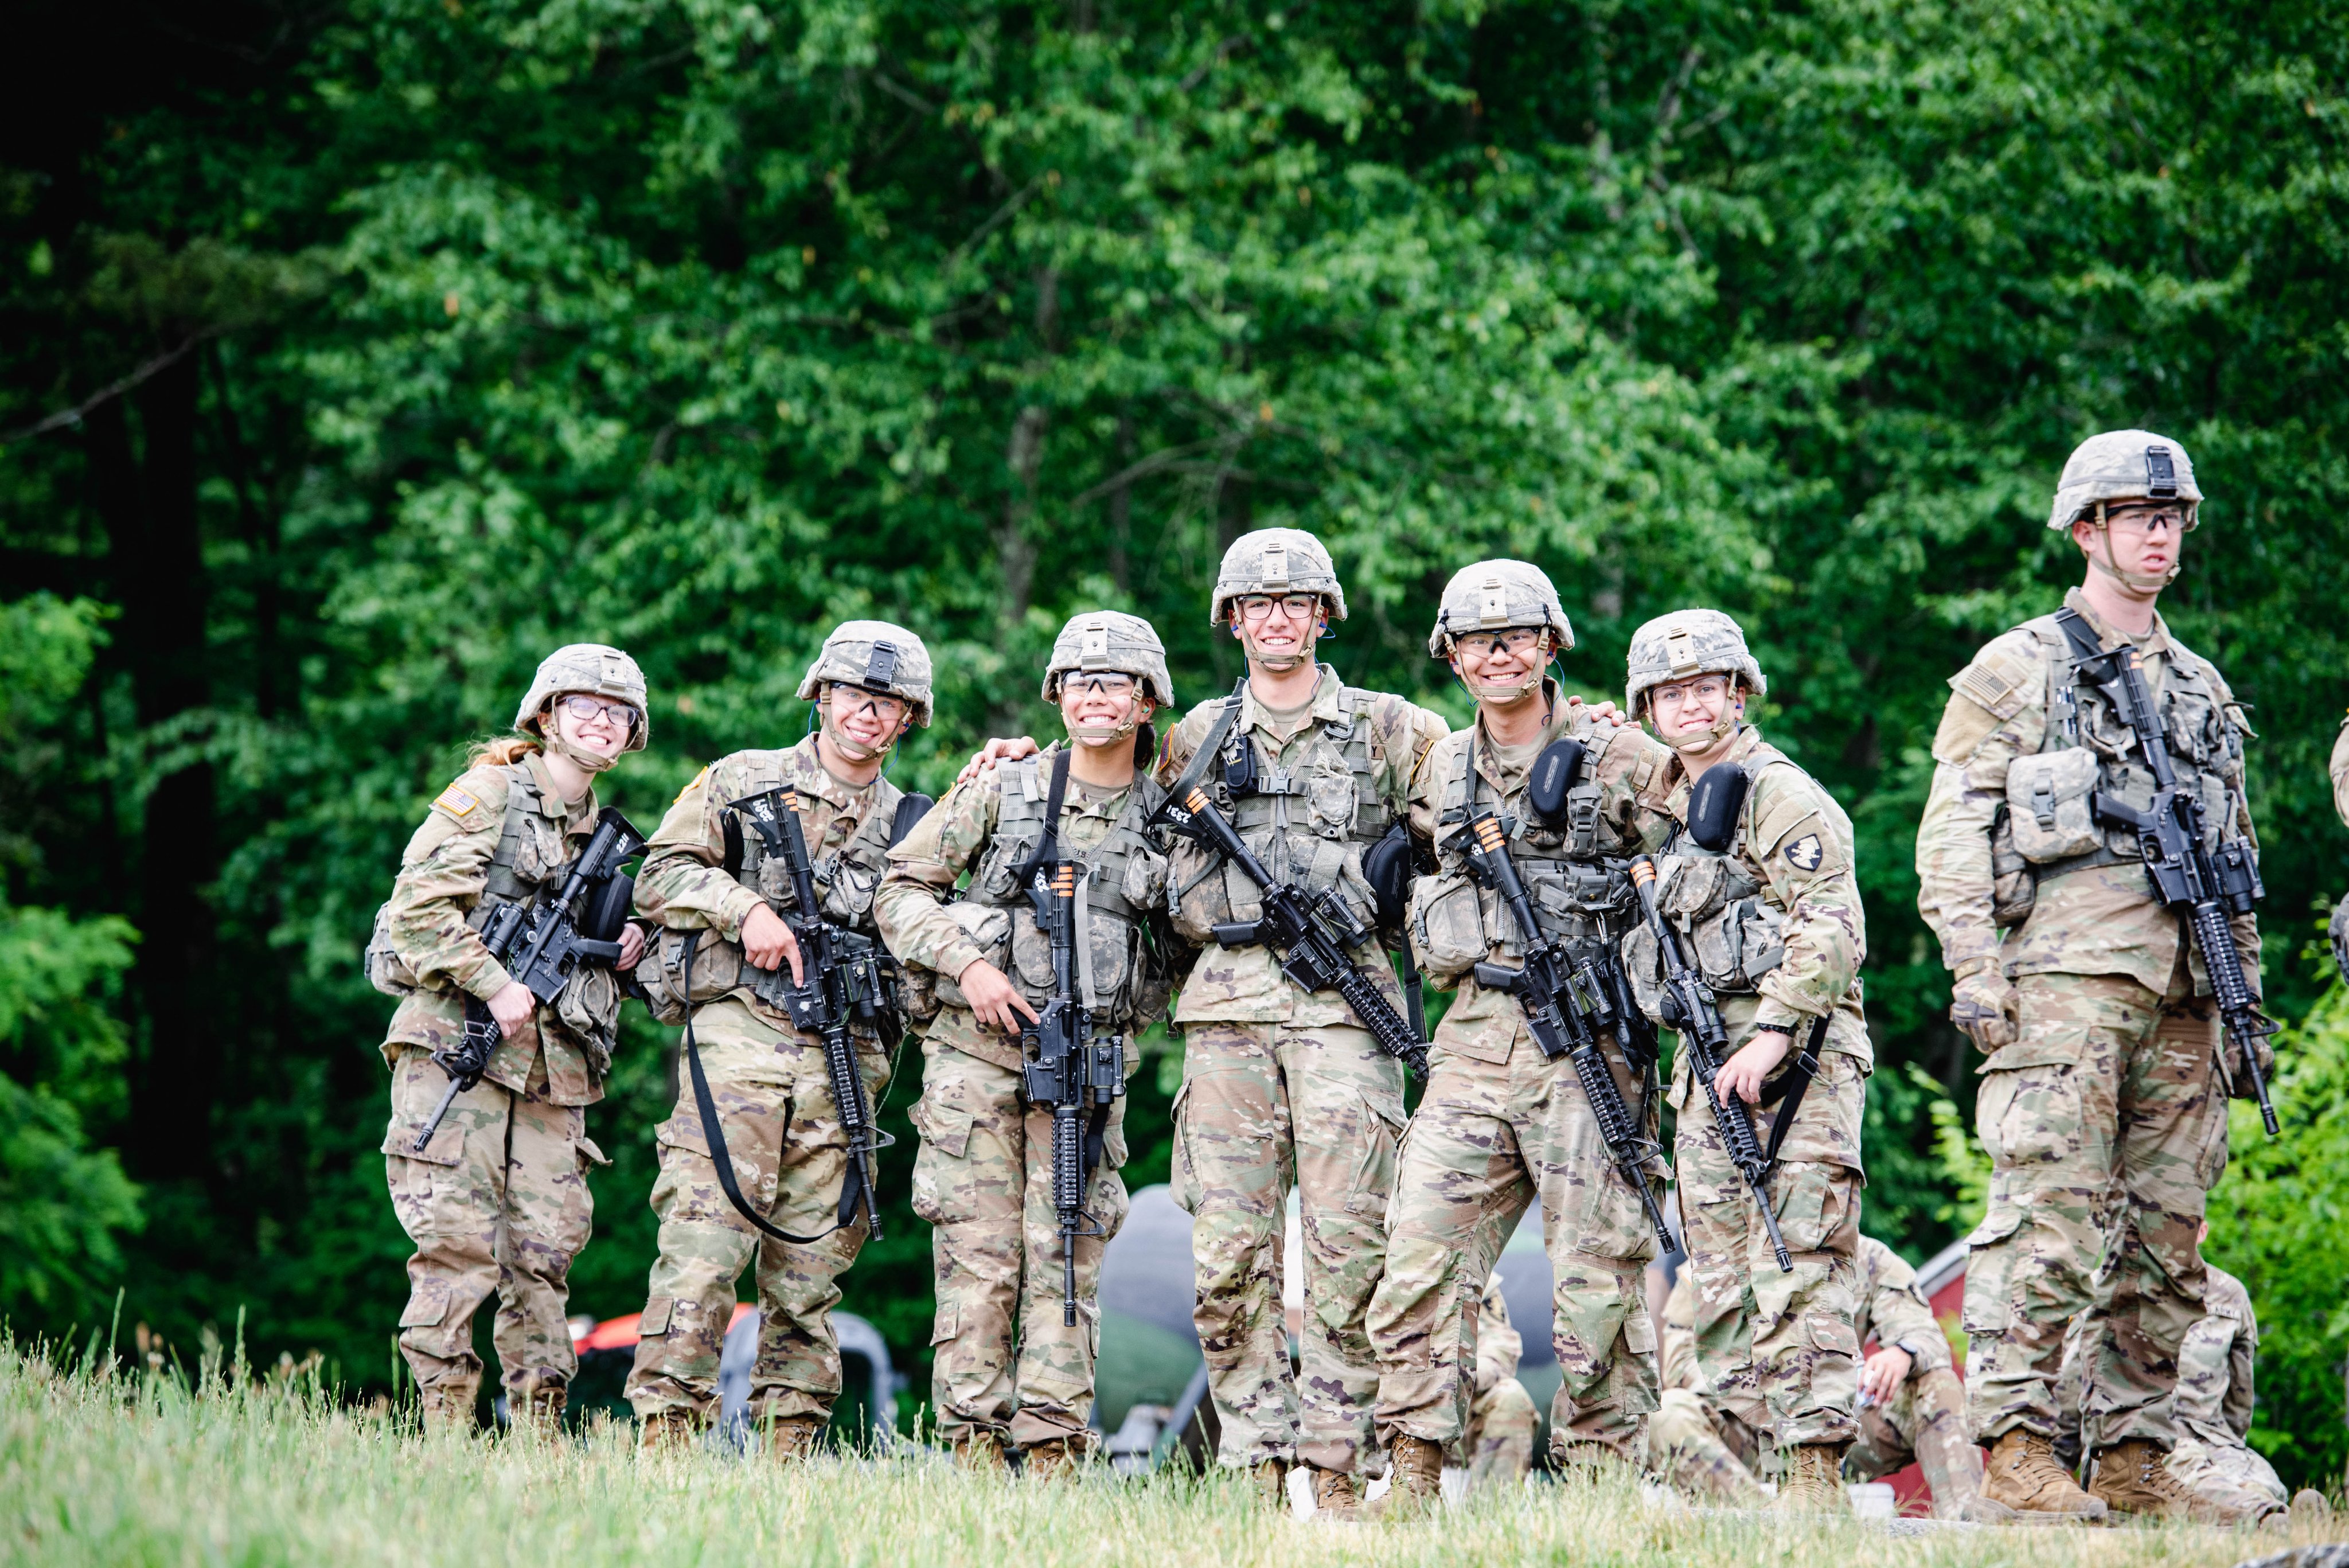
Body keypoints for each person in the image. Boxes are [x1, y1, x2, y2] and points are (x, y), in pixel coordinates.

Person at [1914, 430, 2268, 1523]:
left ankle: (2133, 1450)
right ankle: (2018, 1442)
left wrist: (2244, 1002)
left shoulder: (2201, 686)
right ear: (2086, 529)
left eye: (2170, 518)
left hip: (2184, 993)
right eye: (2135, 517)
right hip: (2064, 982)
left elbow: (2234, 854)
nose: (2159, 535)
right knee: (2048, 1216)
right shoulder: (2020, 665)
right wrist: (1974, 967)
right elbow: (1954, 829)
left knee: (2166, 1233)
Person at [1363, 561, 1672, 1515]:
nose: (1498, 651)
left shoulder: (1620, 753)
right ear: (1451, 656)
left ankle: (1608, 1485)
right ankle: (1411, 1469)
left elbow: (1690, 864)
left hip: (1584, 1046)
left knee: (1600, 1275)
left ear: (1550, 645)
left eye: (1516, 635)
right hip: (1470, 1039)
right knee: (1418, 1256)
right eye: (1476, 638)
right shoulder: (1437, 761)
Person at [872, 612, 1184, 1477]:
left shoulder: (1168, 817)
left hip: (1085, 1068)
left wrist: (1131, 1015)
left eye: (1114, 681)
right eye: (1078, 681)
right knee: (977, 1260)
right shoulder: (1007, 788)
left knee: (1070, 1258)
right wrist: (970, 966)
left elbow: (1188, 943)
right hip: (978, 1058)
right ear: (1056, 695)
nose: (1093, 694)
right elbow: (899, 890)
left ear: (1147, 700)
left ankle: (1051, 1450)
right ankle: (971, 1448)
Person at [623, 621, 931, 1458]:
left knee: (811, 1265)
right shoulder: (741, 779)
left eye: (889, 703)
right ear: (822, 696)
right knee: (704, 1240)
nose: (869, 713)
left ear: (908, 718)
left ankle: (789, 1451)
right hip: (743, 1033)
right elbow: (658, 874)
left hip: (847, 1056)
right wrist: (745, 908)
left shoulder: (916, 821)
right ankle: (667, 1438)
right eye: (855, 695)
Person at [1619, 608, 1870, 1513]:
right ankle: (1740, 1479)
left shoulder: (1779, 793)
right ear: (1649, 707)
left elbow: (1836, 926)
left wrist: (1773, 1032)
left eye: (1706, 687)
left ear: (1738, 691)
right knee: (1718, 1276)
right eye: (1671, 693)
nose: (1692, 706)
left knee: (1799, 1256)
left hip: (1795, 1064)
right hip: (1708, 1070)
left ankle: (1811, 1476)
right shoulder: (1671, 805)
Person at [371, 643, 651, 1434]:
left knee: (545, 1258)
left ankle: (537, 1434)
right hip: (457, 1043)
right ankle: (445, 1431)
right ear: (547, 715)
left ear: (632, 734)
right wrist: (496, 982)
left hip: (552, 1072)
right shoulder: (490, 793)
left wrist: (624, 949)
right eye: (584, 706)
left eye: (617, 711)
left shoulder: (606, 835)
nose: (601, 720)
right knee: (456, 1247)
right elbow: (416, 911)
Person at [1841, 1237, 1983, 1519]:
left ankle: (1966, 1526)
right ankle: (1753, 1520)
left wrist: (1903, 1352)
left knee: (1936, 1385)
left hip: (1838, 1432)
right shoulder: (1735, 1245)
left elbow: (1927, 1338)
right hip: (1751, 1433)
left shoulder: (1865, 1256)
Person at [1648, 1267, 1772, 1507]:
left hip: (1835, 1423)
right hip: (1746, 1428)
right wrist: (1752, 1383)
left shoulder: (1842, 1251)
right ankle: (1759, 1519)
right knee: (1666, 1413)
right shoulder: (1707, 1262)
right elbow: (1679, 1366)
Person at [1464, 1271, 1541, 1492]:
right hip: (1381, 1405)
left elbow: (1501, 1347)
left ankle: (1489, 1517)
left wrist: (1458, 1377)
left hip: (1453, 1407)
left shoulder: (1468, 1265)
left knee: (1510, 1397)